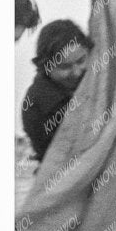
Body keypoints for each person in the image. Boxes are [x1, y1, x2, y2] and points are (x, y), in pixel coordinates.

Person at [22, 19, 91, 163]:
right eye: (65, 67)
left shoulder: (96, 77)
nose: (77, 72)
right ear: (46, 67)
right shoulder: (35, 106)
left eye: (81, 60)